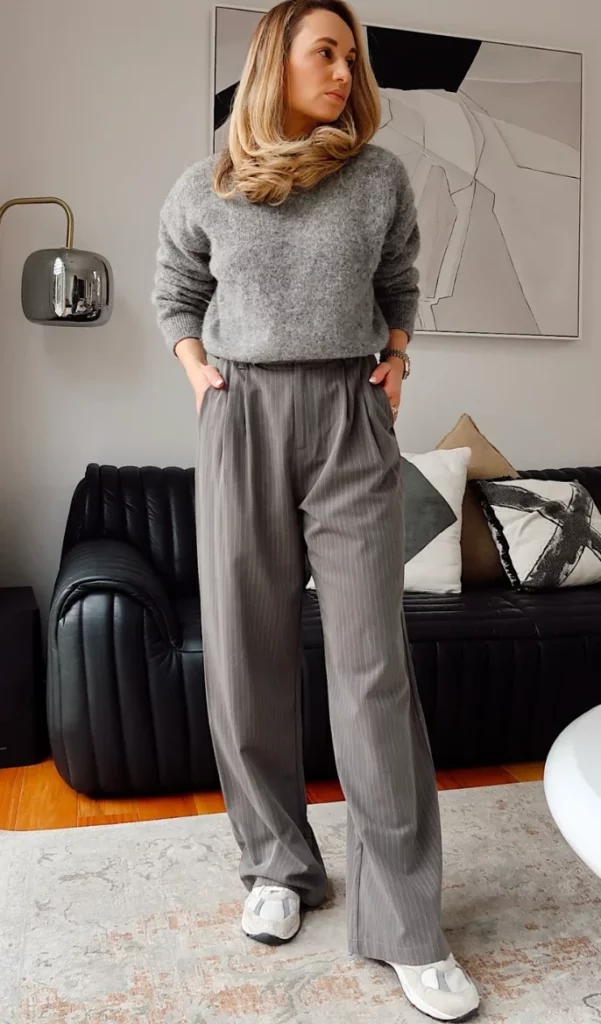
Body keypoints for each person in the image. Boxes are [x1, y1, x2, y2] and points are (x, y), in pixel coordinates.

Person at [152, 1, 480, 1019]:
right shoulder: (206, 185)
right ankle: (278, 867)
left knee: (371, 667)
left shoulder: (376, 178)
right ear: (275, 63)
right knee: (245, 653)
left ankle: (406, 923)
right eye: (325, 52)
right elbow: (175, 291)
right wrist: (200, 374)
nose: (344, 71)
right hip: (242, 414)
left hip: (347, 412)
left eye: (351, 55)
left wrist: (397, 357)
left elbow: (399, 280)